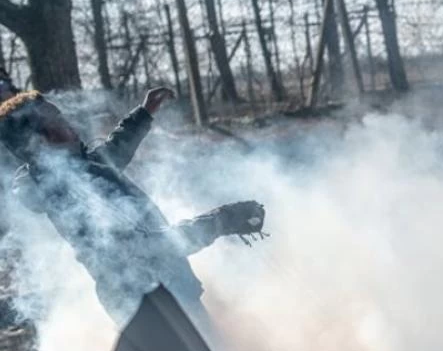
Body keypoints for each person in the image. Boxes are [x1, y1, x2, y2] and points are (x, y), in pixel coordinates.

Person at [0, 87, 265, 325]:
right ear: (41, 141)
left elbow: (113, 153)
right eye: (56, 119)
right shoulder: (71, 193)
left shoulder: (77, 169)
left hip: (161, 295)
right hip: (155, 308)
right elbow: (146, 247)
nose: (67, 122)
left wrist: (143, 114)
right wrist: (221, 221)